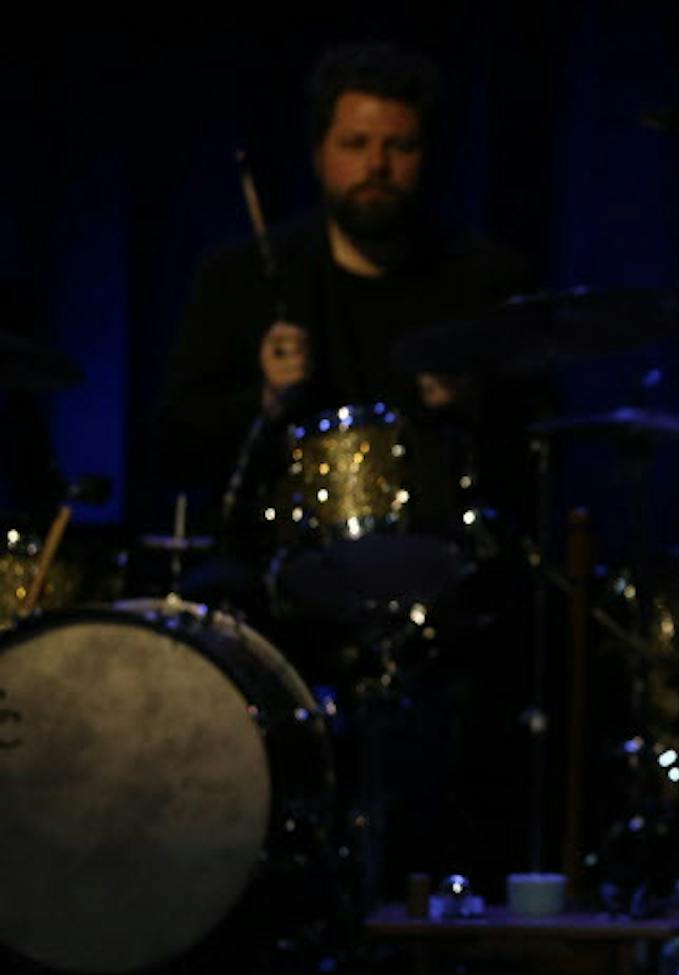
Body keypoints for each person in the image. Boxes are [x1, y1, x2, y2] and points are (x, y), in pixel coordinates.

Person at [154, 40, 537, 909]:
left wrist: (472, 403)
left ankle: (474, 894)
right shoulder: (247, 276)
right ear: (322, 153)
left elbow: (534, 442)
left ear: (425, 157)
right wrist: (259, 394)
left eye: (398, 147)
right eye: (357, 144)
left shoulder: (480, 278)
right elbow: (173, 433)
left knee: (524, 628)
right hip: (276, 567)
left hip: (445, 570)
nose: (378, 166)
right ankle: (238, 884)